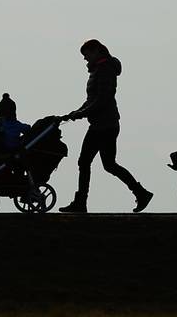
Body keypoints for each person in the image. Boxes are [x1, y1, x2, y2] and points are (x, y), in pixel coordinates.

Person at [58, 39, 153, 213]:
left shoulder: (104, 71)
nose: (85, 59)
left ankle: (81, 202)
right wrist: (76, 112)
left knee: (85, 161)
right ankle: (141, 193)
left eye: (86, 55)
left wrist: (80, 113)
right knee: (109, 165)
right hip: (104, 124)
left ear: (96, 51)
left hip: (103, 126)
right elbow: (92, 100)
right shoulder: (100, 70)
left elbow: (102, 100)